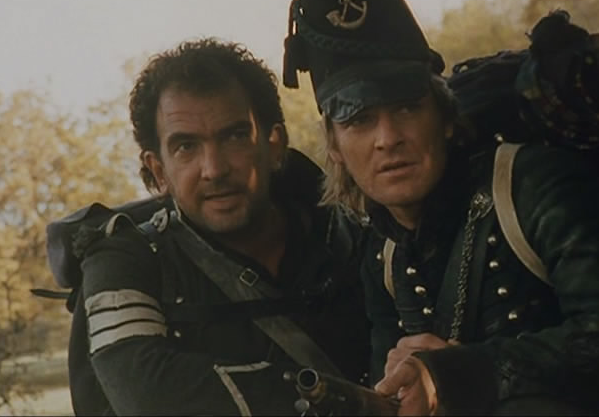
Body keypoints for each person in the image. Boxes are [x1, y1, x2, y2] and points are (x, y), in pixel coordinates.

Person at [282, 0, 599, 414]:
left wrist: (459, 373)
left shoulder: (534, 184)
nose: (388, 138)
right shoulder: (382, 252)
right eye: (359, 120)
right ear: (336, 148)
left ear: (445, 118)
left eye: (407, 107)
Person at [58, 38, 371, 415]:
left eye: (235, 136)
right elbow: (146, 392)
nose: (214, 169)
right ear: (158, 170)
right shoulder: (124, 261)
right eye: (186, 147)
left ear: (274, 144)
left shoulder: (352, 235)